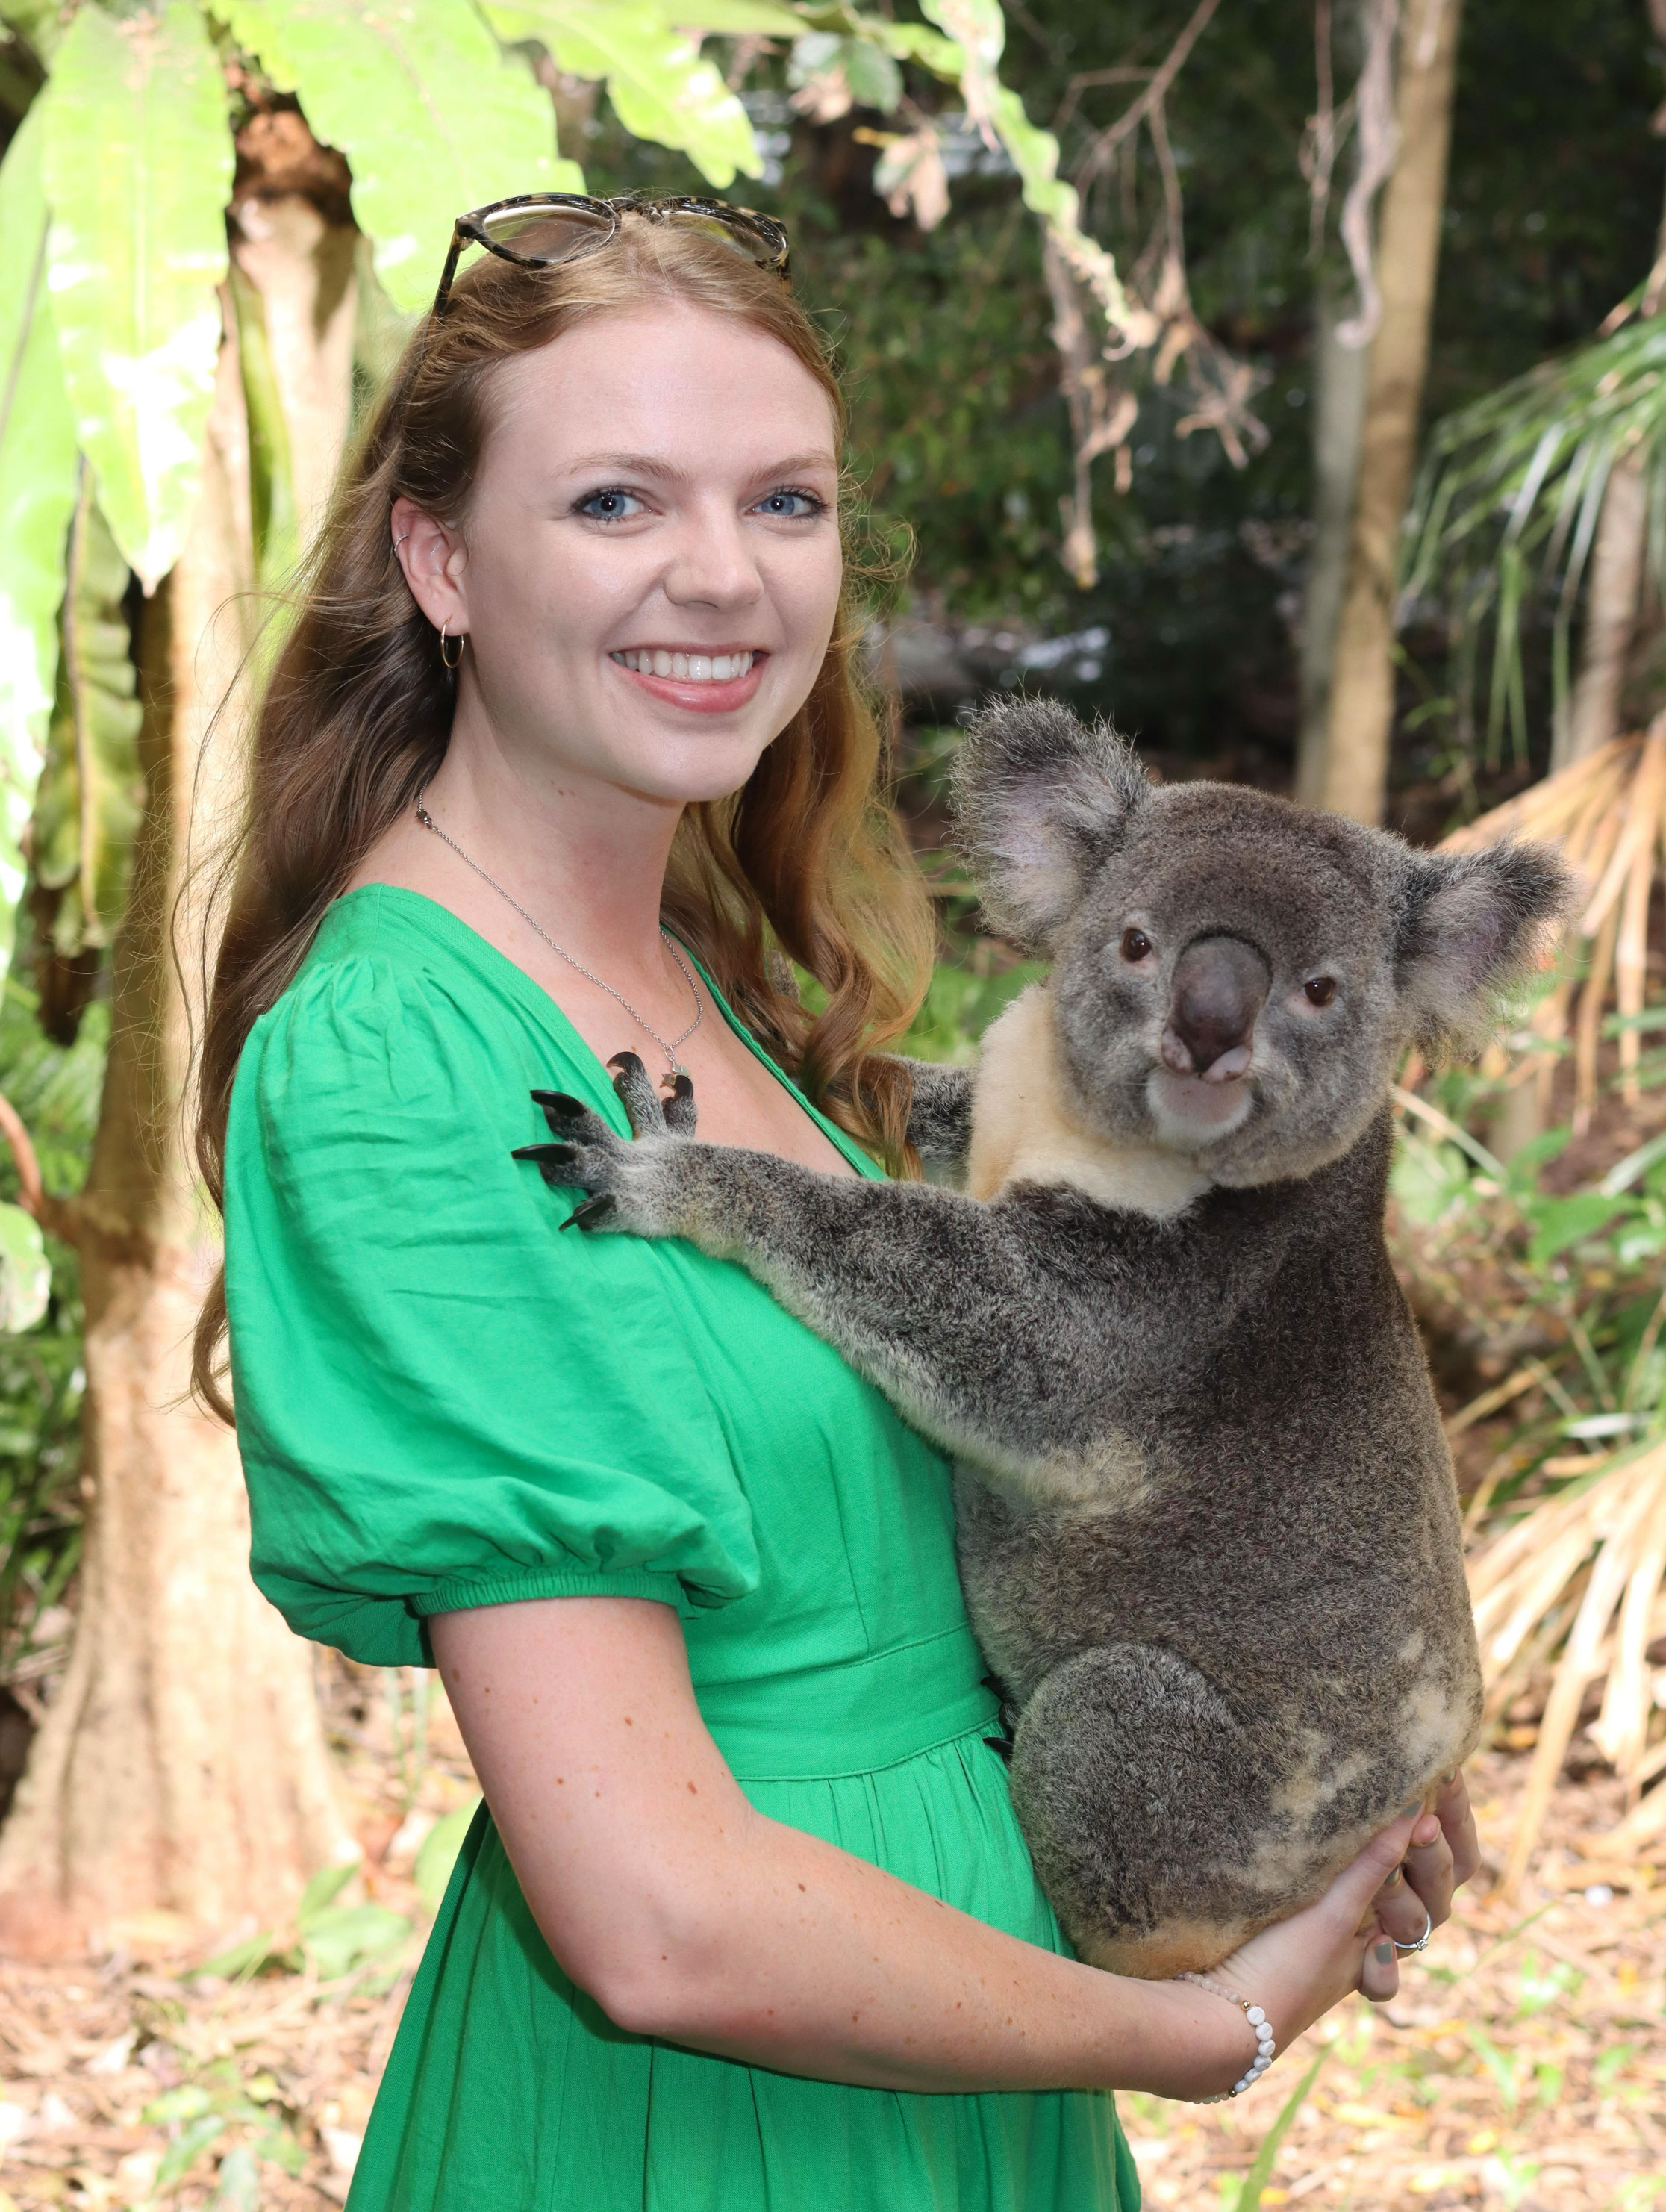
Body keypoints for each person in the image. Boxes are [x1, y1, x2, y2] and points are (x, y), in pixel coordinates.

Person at [196, 195, 1479, 2212]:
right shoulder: (402, 1056)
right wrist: (1210, 2030)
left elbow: (1073, 1483)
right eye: (618, 499)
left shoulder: (722, 989)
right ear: (438, 557)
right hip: (720, 2118)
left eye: (783, 500)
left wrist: (1342, 1740)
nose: (722, 573)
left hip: (966, 2036)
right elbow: (654, 1918)